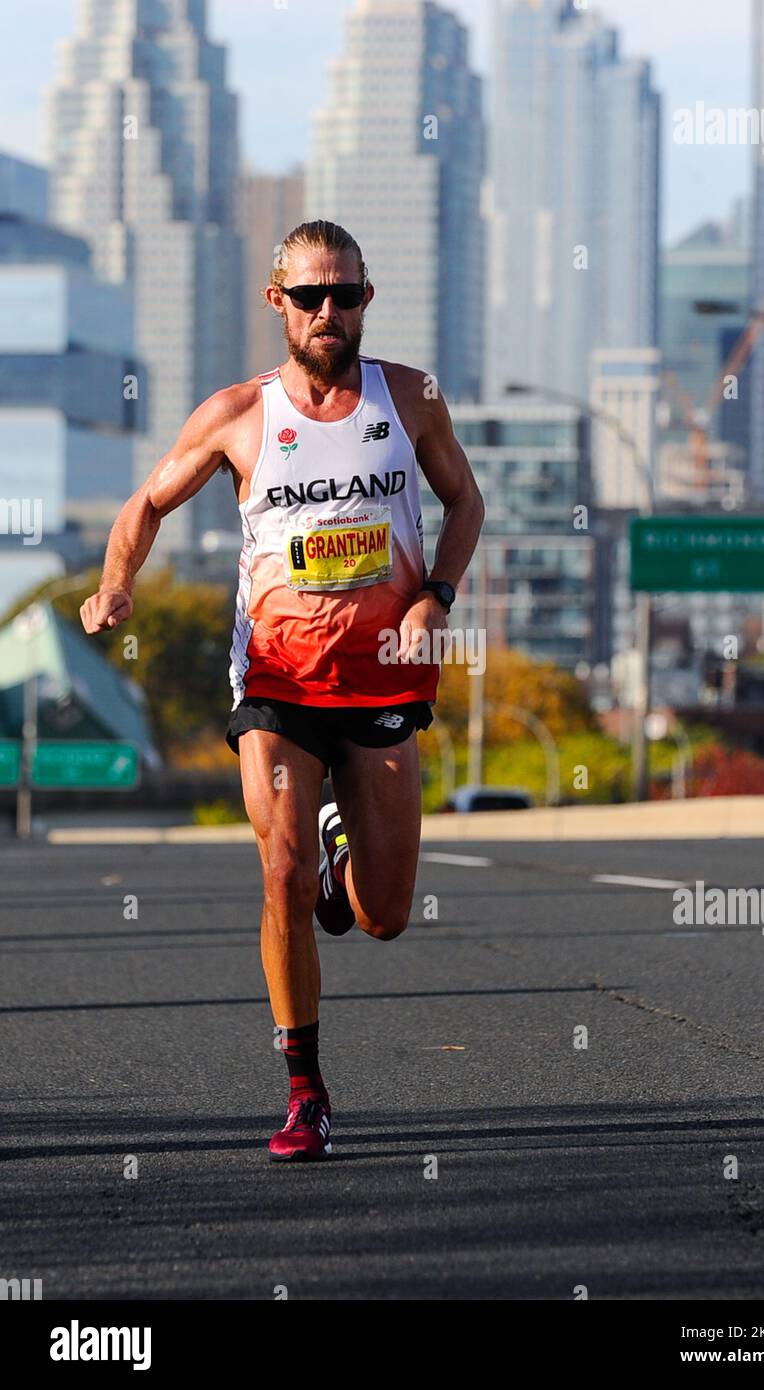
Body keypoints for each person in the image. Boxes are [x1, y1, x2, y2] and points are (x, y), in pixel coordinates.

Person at [80, 220, 485, 1161]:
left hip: (382, 675)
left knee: (382, 916)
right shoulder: (237, 414)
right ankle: (305, 1089)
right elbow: (145, 502)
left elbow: (463, 501)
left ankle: (343, 856)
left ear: (366, 300)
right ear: (278, 304)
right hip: (276, 679)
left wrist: (435, 595)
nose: (328, 313)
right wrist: (115, 583)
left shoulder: (413, 398)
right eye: (310, 297)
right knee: (280, 870)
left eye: (345, 295)